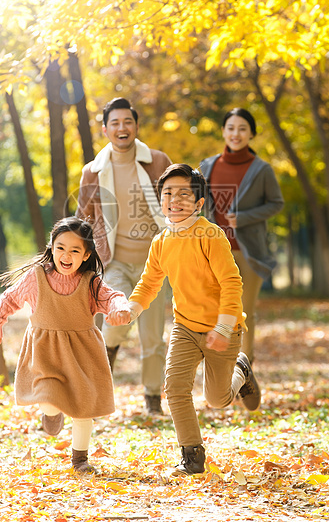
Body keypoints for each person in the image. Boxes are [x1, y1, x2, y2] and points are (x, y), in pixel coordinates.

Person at [107, 164, 261, 476]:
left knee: (217, 400)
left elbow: (233, 283)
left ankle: (241, 370)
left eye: (183, 194)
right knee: (175, 387)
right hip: (185, 326)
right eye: (167, 193)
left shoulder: (210, 235)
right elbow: (149, 284)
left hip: (223, 328)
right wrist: (131, 310)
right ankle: (192, 457)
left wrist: (222, 326)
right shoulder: (161, 241)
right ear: (159, 199)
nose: (174, 200)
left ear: (199, 203)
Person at [0, 216, 130, 475]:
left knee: (83, 408)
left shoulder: (90, 282)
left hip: (82, 353)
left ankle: (80, 460)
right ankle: (52, 412)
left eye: (75, 250)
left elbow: (113, 297)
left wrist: (120, 309)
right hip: (46, 353)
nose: (66, 254)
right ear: (51, 247)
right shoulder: (37, 277)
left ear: (86, 255)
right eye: (61, 247)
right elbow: (10, 298)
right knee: (49, 398)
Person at [76, 97, 171, 415]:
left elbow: (176, 202)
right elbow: (83, 218)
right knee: (113, 324)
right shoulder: (93, 171)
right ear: (105, 130)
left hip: (155, 264)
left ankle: (152, 398)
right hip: (113, 261)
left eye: (127, 122)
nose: (121, 128)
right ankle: (109, 355)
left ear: (136, 126)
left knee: (153, 336)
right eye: (114, 123)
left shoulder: (157, 161)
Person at [200, 108, 284, 363]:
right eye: (231, 128)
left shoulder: (261, 170)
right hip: (215, 251)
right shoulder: (206, 166)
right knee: (214, 311)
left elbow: (276, 203)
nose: (236, 134)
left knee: (244, 311)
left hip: (248, 251)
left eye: (242, 128)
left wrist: (245, 217)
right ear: (224, 131)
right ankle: (220, 368)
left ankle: (246, 367)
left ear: (251, 134)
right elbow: (197, 203)